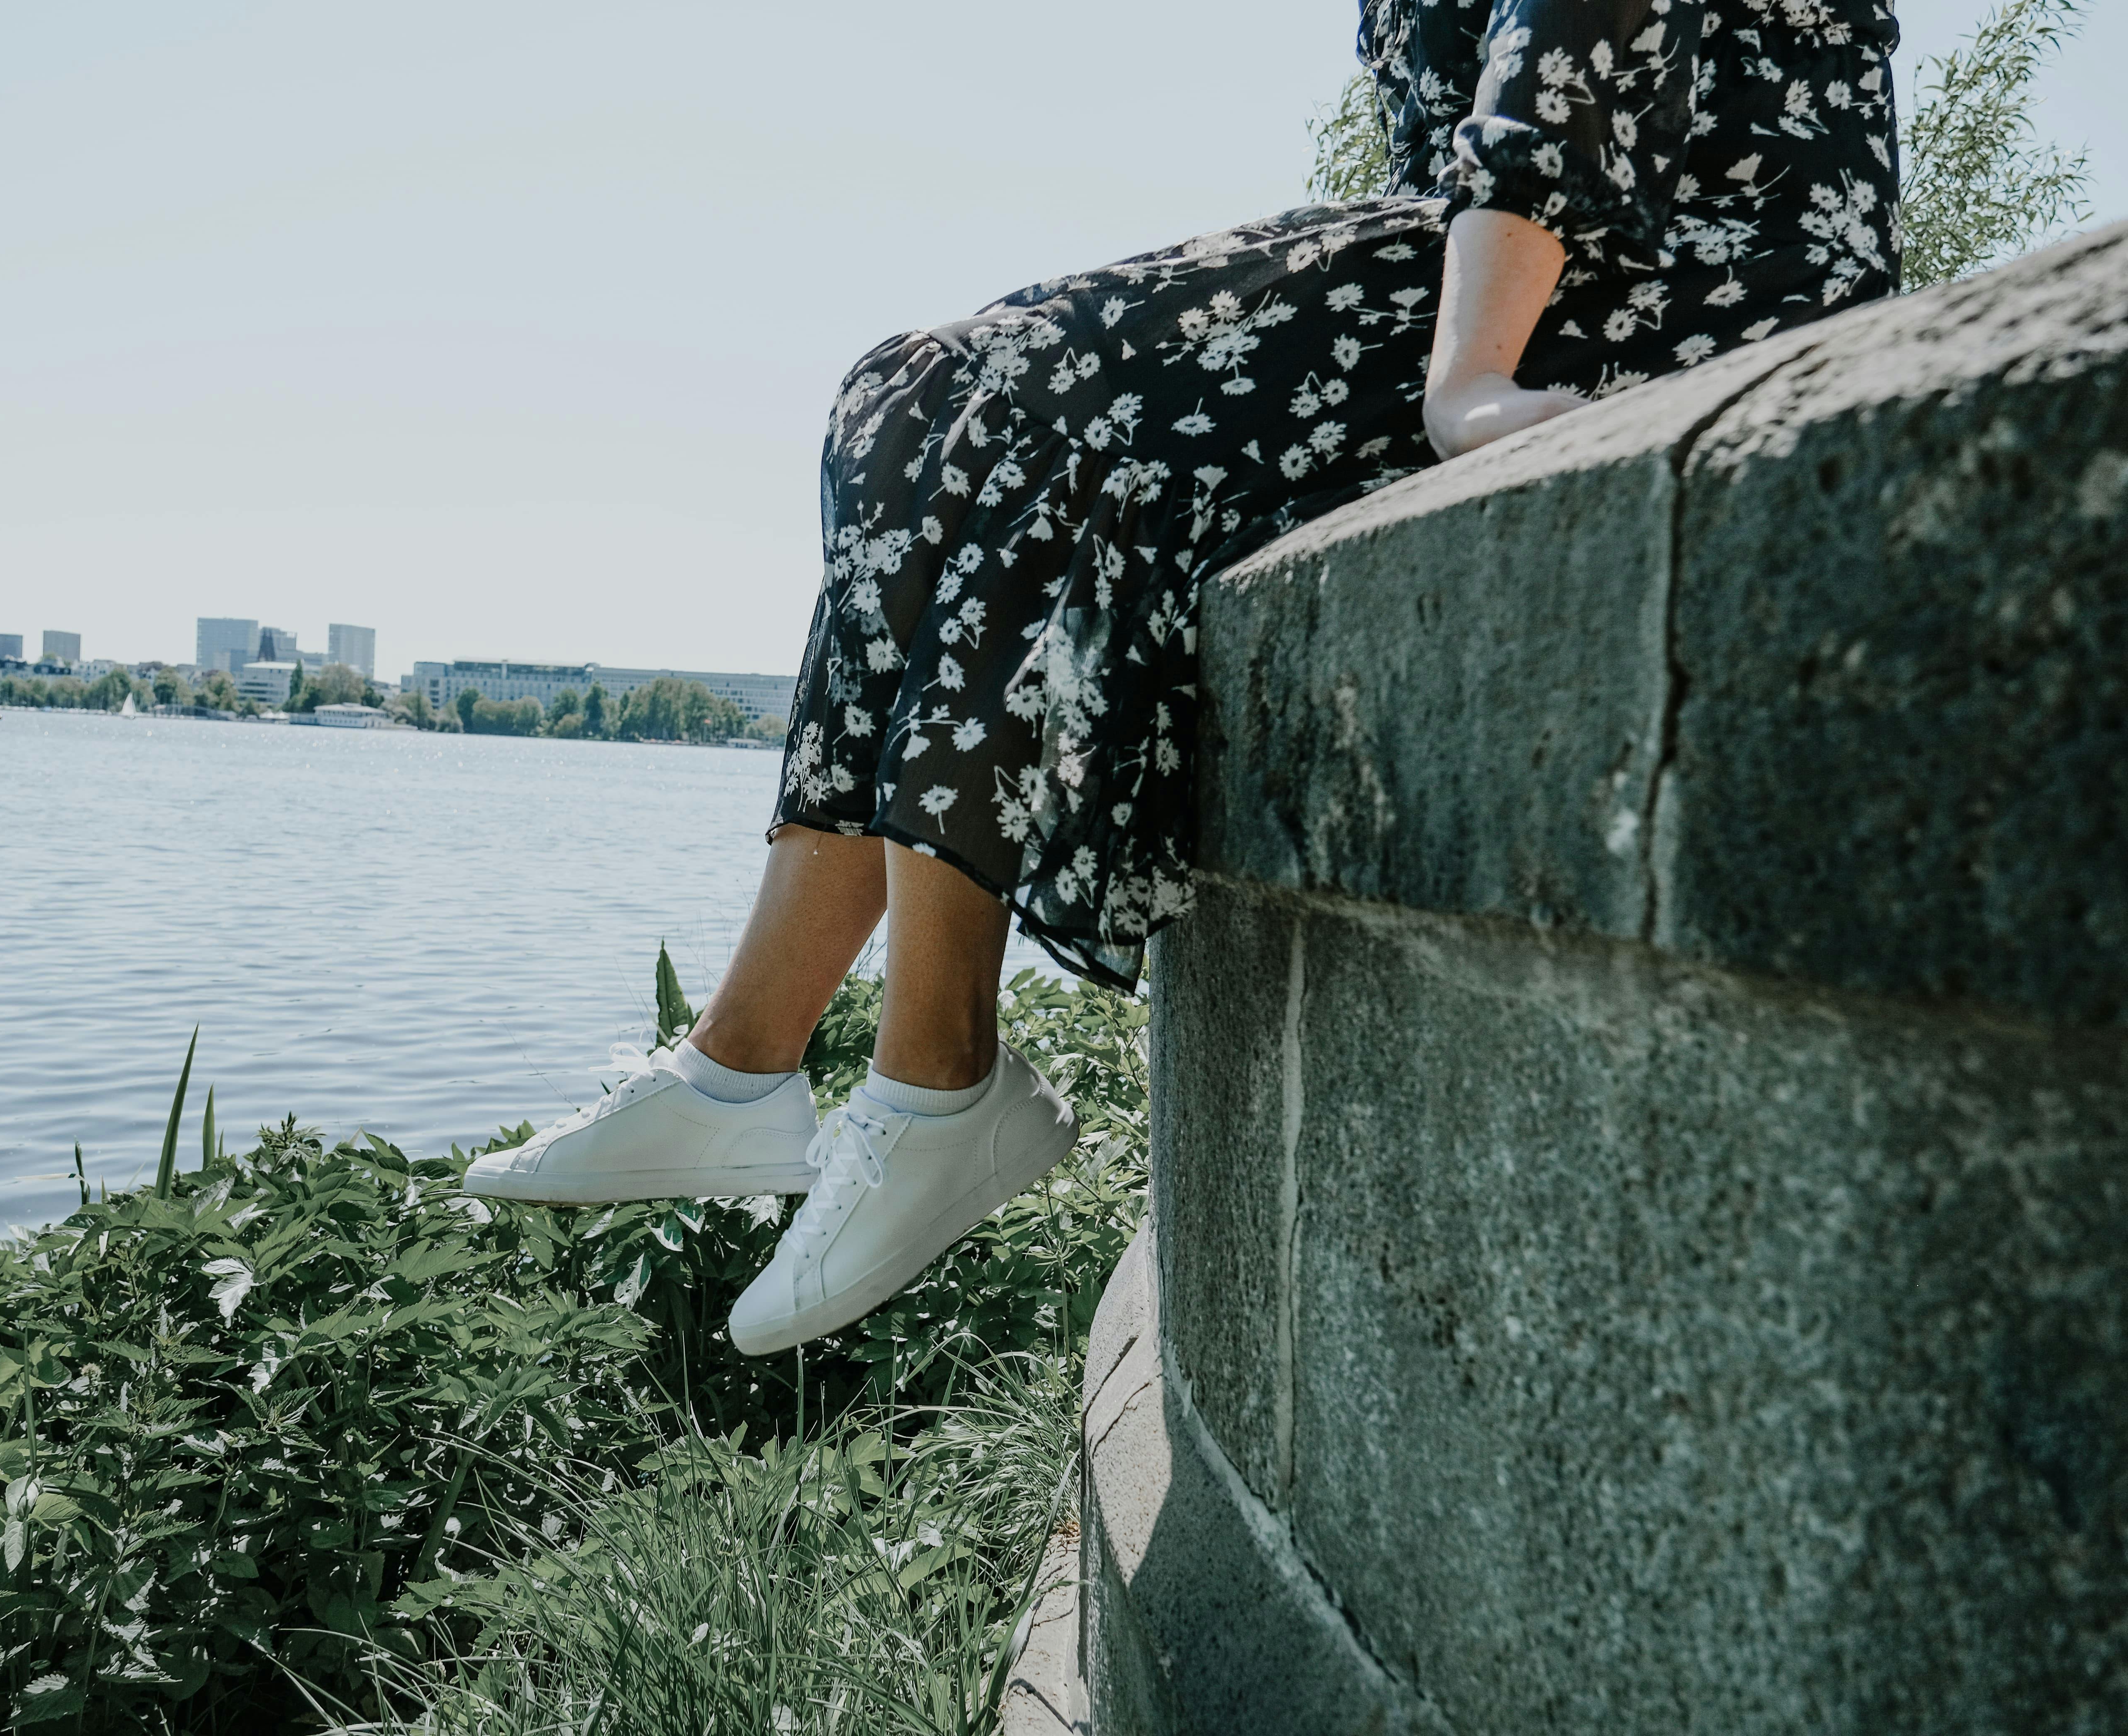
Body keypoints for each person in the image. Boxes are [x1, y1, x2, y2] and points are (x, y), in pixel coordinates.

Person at [471, 0, 1899, 1354]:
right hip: (1516, 261)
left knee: (994, 403)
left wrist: (1471, 369)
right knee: (909, 401)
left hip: (1681, 267)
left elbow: (1577, 41)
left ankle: (929, 1081)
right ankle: (743, 1068)